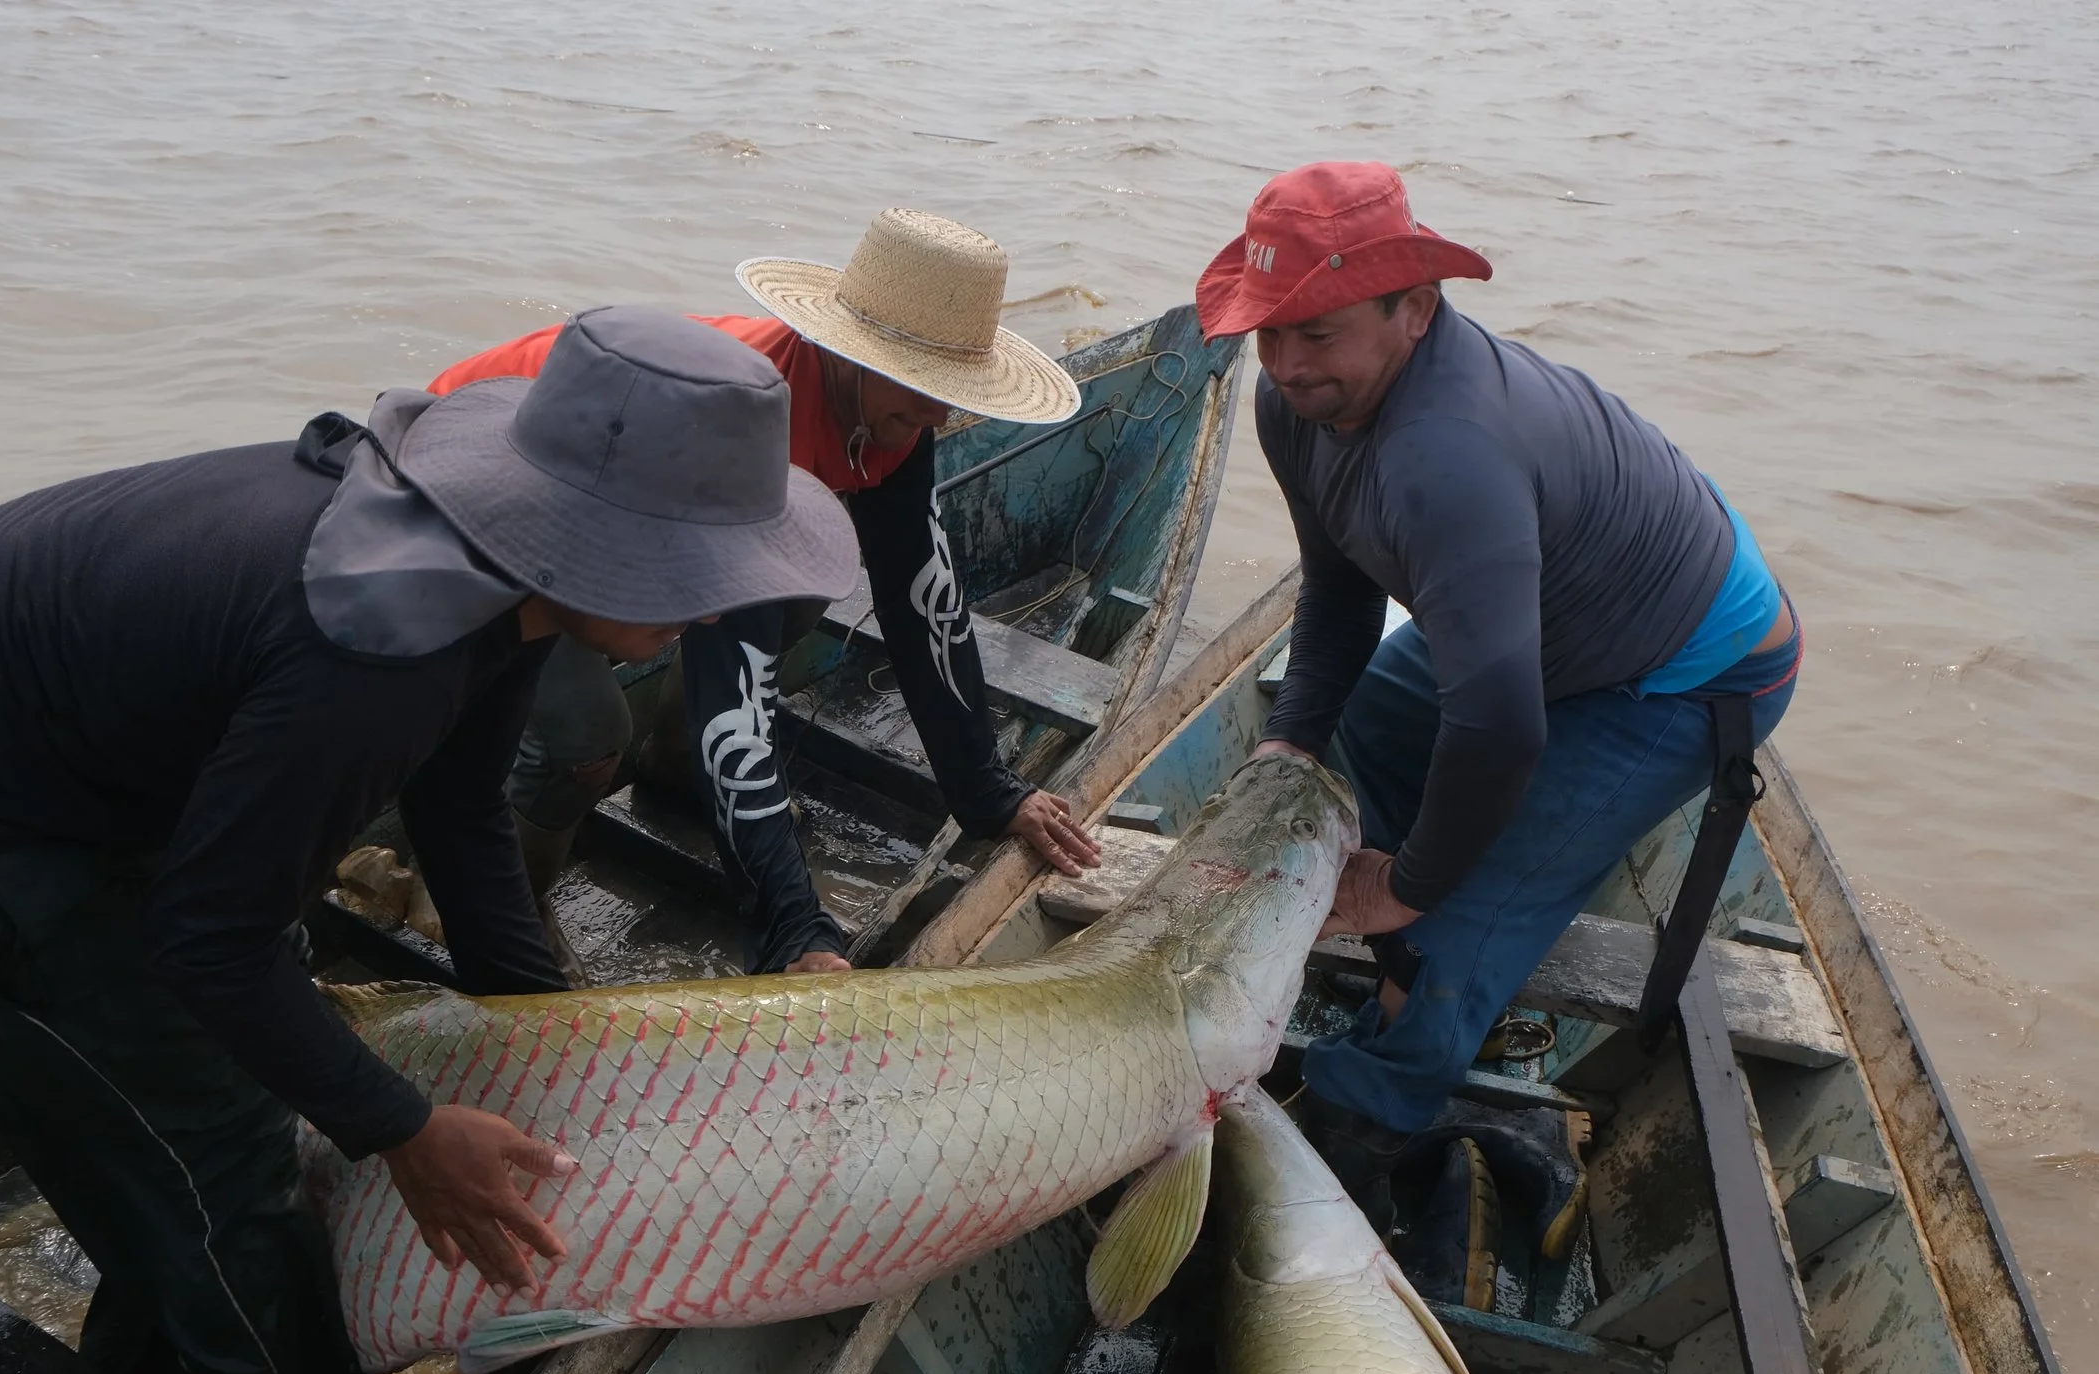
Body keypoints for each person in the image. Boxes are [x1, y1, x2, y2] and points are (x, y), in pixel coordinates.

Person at [0, 308, 857, 1374]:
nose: (713, 600)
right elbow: (209, 945)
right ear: (589, 537)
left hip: (68, 762)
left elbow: (464, 802)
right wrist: (407, 1133)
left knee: (207, 1102)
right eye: (687, 565)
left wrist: (540, 1030)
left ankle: (153, 1362)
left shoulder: (501, 577)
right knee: (221, 1148)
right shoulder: (378, 653)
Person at [1193, 163, 1801, 1229]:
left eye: (1319, 334)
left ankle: (1367, 1120)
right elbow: (1337, 587)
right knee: (1367, 731)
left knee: (1451, 932)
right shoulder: (1297, 404)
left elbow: (1501, 724)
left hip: (1683, 674)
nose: (1287, 366)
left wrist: (1411, 888)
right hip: (1538, 625)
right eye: (1268, 333)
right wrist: (1289, 741)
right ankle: (1403, 943)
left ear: (1414, 310)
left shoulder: (1448, 459)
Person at [431, 209, 1104, 976]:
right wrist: (795, 926)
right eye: (919, 387)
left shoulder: (893, 421)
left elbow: (922, 603)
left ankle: (676, 763)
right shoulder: (754, 432)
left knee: (799, 582)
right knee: (584, 738)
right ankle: (510, 918)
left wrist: (989, 793)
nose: (935, 414)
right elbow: (733, 686)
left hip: (617, 510)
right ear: (847, 354)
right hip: (491, 479)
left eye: (951, 392)